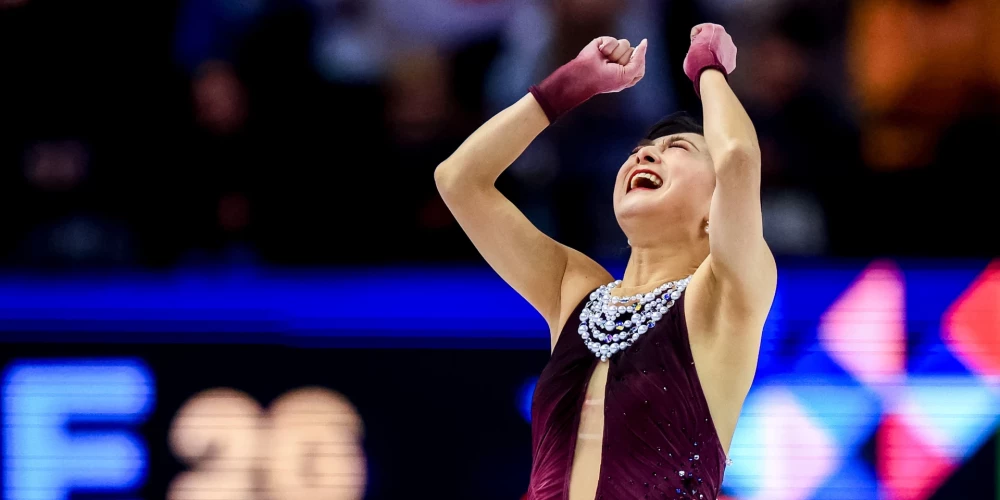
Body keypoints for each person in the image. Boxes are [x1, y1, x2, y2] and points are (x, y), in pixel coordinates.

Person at [435, 24, 775, 500]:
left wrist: (709, 69)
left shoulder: (722, 297)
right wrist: (565, 88)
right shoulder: (573, 289)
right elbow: (458, 179)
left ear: (716, 205)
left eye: (677, 149)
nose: (646, 154)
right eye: (638, 152)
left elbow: (737, 156)